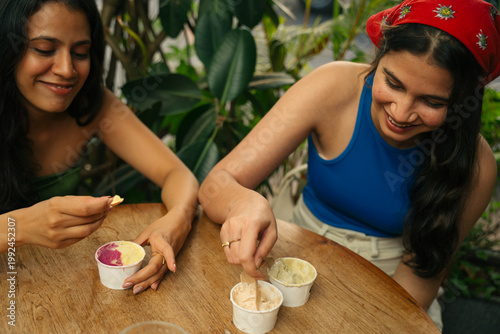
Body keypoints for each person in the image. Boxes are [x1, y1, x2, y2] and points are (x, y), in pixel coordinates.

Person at [199, 0, 499, 329]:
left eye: (431, 102)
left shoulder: (475, 166)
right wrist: (244, 201)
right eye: (393, 83)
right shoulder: (332, 87)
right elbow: (216, 185)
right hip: (294, 254)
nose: (400, 113)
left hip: (391, 288)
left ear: (462, 103)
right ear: (378, 56)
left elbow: (417, 283)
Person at [0, 0, 199, 295]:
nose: (67, 70)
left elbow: (176, 174)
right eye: (44, 49)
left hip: (54, 289)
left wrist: (175, 222)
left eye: (80, 53)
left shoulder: (91, 104)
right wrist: (21, 226)